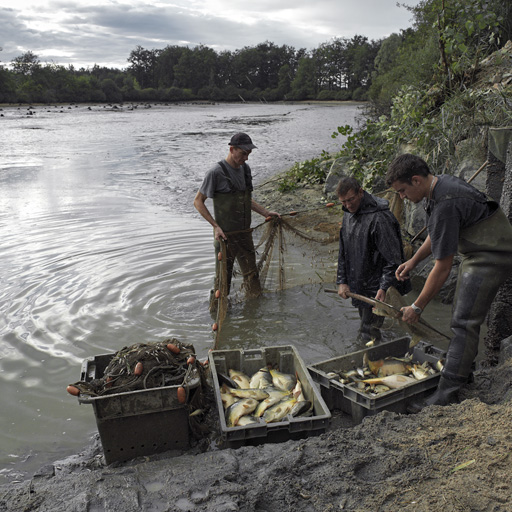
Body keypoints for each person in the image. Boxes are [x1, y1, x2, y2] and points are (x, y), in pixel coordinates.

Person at [386, 153, 512, 412]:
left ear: (417, 180)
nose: (401, 197)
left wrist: (417, 307)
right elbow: (438, 232)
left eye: (402, 191)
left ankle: (447, 393)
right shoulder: (439, 186)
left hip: (490, 254)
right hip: (477, 250)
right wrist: (414, 262)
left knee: (464, 321)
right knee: (460, 314)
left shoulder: (445, 201)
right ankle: (463, 371)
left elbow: (442, 268)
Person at [193, 133, 279, 306]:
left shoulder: (245, 170)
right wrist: (216, 226)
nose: (246, 158)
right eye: (243, 153)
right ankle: (218, 313)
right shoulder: (216, 172)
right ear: (232, 149)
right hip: (225, 237)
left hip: (244, 234)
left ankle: (253, 313)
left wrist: (265, 212)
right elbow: (198, 202)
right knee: (222, 282)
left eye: (249, 154)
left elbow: (245, 199)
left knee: (252, 276)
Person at [336, 177, 411, 341]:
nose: (348, 205)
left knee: (367, 333)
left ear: (361, 192)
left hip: (376, 287)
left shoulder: (380, 218)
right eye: (344, 202)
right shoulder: (348, 213)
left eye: (351, 199)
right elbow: (343, 251)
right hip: (359, 283)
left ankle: (372, 361)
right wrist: (342, 281)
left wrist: (384, 288)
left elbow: (394, 260)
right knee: (367, 328)